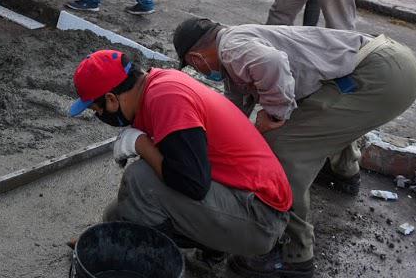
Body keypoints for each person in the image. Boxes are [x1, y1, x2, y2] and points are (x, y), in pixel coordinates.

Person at [173, 17, 416, 277]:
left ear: (196, 58)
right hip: (390, 62)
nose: (199, 72)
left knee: (281, 148)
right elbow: (233, 111)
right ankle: (342, 171)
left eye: (193, 67)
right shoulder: (236, 46)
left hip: (380, 76)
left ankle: (293, 254)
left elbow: (273, 63)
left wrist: (275, 114)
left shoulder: (232, 48)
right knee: (312, 115)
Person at [68, 50, 292, 263]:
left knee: (139, 180)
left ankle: (149, 262)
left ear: (111, 100)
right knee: (116, 213)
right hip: (241, 195)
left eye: (97, 110)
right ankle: (211, 246)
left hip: (261, 217)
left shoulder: (166, 98)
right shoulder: (156, 84)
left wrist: (142, 145)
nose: (100, 115)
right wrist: (101, 238)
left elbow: (192, 184)